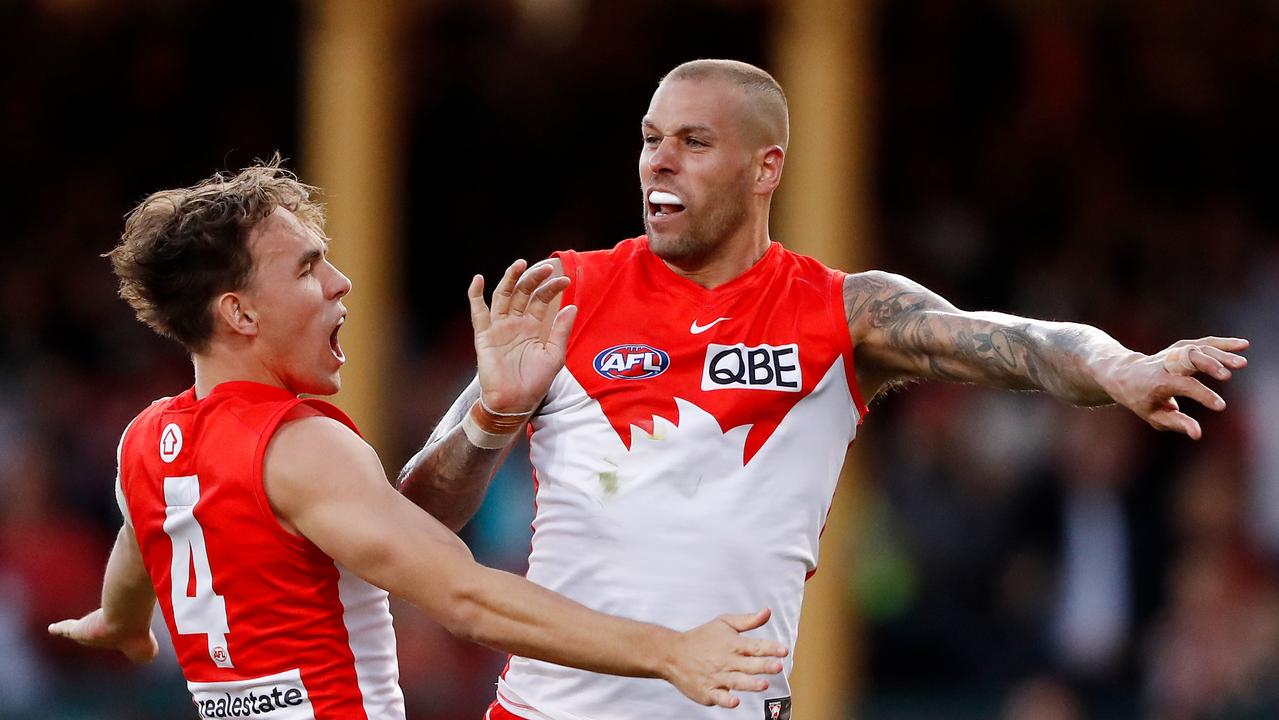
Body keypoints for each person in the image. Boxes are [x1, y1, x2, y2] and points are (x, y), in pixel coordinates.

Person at [396, 59, 1250, 720]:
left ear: (765, 168)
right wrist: (490, 414)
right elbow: (416, 521)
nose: (661, 160)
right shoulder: (569, 294)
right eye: (652, 138)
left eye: (694, 142)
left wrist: (1119, 367)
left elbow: (1017, 341)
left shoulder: (842, 313)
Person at [46, 159, 790, 720]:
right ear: (240, 313)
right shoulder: (298, 446)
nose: (341, 284)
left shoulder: (145, 442)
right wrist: (668, 651)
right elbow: (466, 600)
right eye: (309, 269)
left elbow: (140, 552)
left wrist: (122, 624)